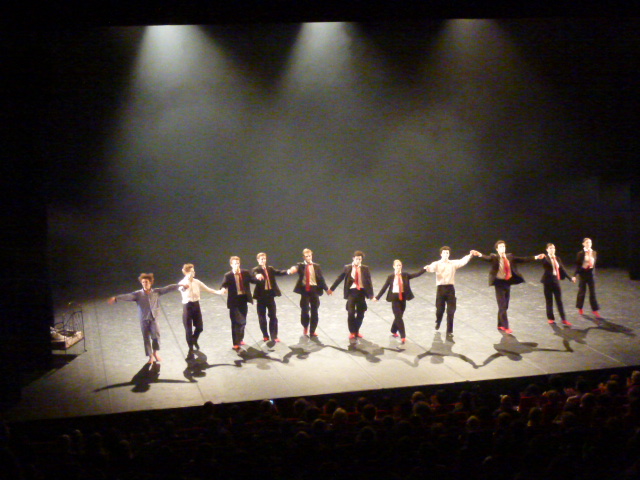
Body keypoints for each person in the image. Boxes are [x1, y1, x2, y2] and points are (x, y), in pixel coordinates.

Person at [108, 273, 182, 364]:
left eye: (146, 282)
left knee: (156, 337)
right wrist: (116, 298)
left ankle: (155, 352)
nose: (144, 284)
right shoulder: (138, 294)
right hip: (144, 319)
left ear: (150, 282)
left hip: (153, 318)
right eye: (143, 282)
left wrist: (179, 285)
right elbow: (128, 296)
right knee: (146, 338)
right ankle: (150, 356)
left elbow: (167, 288)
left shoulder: (156, 292)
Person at [476, 241, 545, 334]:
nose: (503, 248)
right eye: (500, 247)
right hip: (499, 284)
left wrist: (536, 257)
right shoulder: (494, 257)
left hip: (507, 283)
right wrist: (479, 254)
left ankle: (500, 324)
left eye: (503, 246)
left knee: (505, 306)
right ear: (497, 249)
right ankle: (506, 326)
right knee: (502, 306)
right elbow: (486, 258)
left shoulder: (510, 256)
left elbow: (523, 259)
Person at [424, 247, 475, 336]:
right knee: (440, 310)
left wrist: (470, 255)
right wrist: (428, 268)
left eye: (447, 253)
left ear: (449, 254)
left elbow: (462, 261)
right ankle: (438, 321)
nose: (445, 254)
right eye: (444, 253)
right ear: (441, 254)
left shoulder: (452, 263)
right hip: (441, 289)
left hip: (450, 289)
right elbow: (431, 268)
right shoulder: (437, 264)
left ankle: (449, 331)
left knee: (451, 311)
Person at [373, 259, 426, 343]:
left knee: (399, 316)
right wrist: (377, 297)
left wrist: (424, 269)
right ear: (394, 266)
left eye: (400, 265)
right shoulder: (390, 277)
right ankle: (403, 336)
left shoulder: (405, 275)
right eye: (397, 265)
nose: (398, 267)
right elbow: (384, 288)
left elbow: (416, 274)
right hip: (394, 298)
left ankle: (393, 330)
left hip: (403, 298)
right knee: (398, 317)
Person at [328, 250, 374, 340]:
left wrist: (371, 295)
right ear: (353, 258)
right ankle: (352, 332)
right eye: (356, 259)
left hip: (361, 292)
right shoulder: (348, 267)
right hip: (351, 292)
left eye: (360, 259)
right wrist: (332, 289)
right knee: (351, 313)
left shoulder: (365, 268)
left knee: (361, 313)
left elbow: (369, 282)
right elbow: (340, 278)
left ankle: (356, 330)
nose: (358, 261)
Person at [178, 264, 224, 354]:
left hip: (196, 305)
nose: (193, 273)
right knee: (188, 329)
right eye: (191, 271)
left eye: (193, 271)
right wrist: (186, 284)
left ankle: (194, 339)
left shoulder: (197, 282)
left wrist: (219, 292)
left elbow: (208, 289)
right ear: (186, 273)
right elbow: (181, 289)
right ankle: (190, 348)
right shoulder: (182, 282)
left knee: (199, 327)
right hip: (187, 306)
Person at [251, 252, 296, 342]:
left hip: (270, 296)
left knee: (273, 316)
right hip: (261, 297)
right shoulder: (256, 269)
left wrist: (288, 271)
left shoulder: (270, 268)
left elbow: (279, 272)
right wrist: (257, 276)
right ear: (258, 260)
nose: (263, 260)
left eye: (264, 259)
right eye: (261, 259)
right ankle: (265, 335)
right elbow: (254, 274)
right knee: (262, 317)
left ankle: (274, 335)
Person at [220, 256, 258, 350]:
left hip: (243, 299)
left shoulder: (245, 273)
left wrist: (258, 277)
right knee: (235, 322)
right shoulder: (228, 275)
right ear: (231, 265)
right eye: (235, 264)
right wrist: (223, 289)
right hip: (234, 301)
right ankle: (235, 343)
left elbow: (252, 280)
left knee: (243, 321)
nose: (237, 265)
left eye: (238, 263)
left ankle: (240, 339)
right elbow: (223, 285)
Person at [291, 248, 329, 337]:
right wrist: (293, 269)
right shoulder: (301, 266)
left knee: (314, 311)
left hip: (314, 290)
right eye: (307, 256)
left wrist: (327, 289)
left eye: (310, 256)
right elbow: (296, 267)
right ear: (304, 257)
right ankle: (305, 326)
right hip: (305, 290)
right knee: (305, 310)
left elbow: (321, 279)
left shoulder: (316, 266)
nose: (309, 258)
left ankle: (312, 330)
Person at [539, 244, 576, 326]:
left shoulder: (557, 258)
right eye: (550, 248)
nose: (552, 249)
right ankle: (550, 318)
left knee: (559, 301)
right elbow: (545, 263)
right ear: (547, 250)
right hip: (547, 282)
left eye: (553, 248)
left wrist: (570, 278)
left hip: (555, 281)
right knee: (549, 301)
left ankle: (564, 319)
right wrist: (542, 257)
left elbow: (562, 269)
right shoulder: (545, 258)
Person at [574, 237, 601, 318]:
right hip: (583, 274)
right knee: (582, 291)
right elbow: (578, 265)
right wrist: (575, 275)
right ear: (583, 244)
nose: (589, 244)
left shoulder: (594, 252)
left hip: (590, 274)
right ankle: (580, 307)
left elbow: (593, 264)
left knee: (592, 292)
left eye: (590, 242)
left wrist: (592, 271)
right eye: (587, 242)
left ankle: (595, 309)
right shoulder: (580, 253)